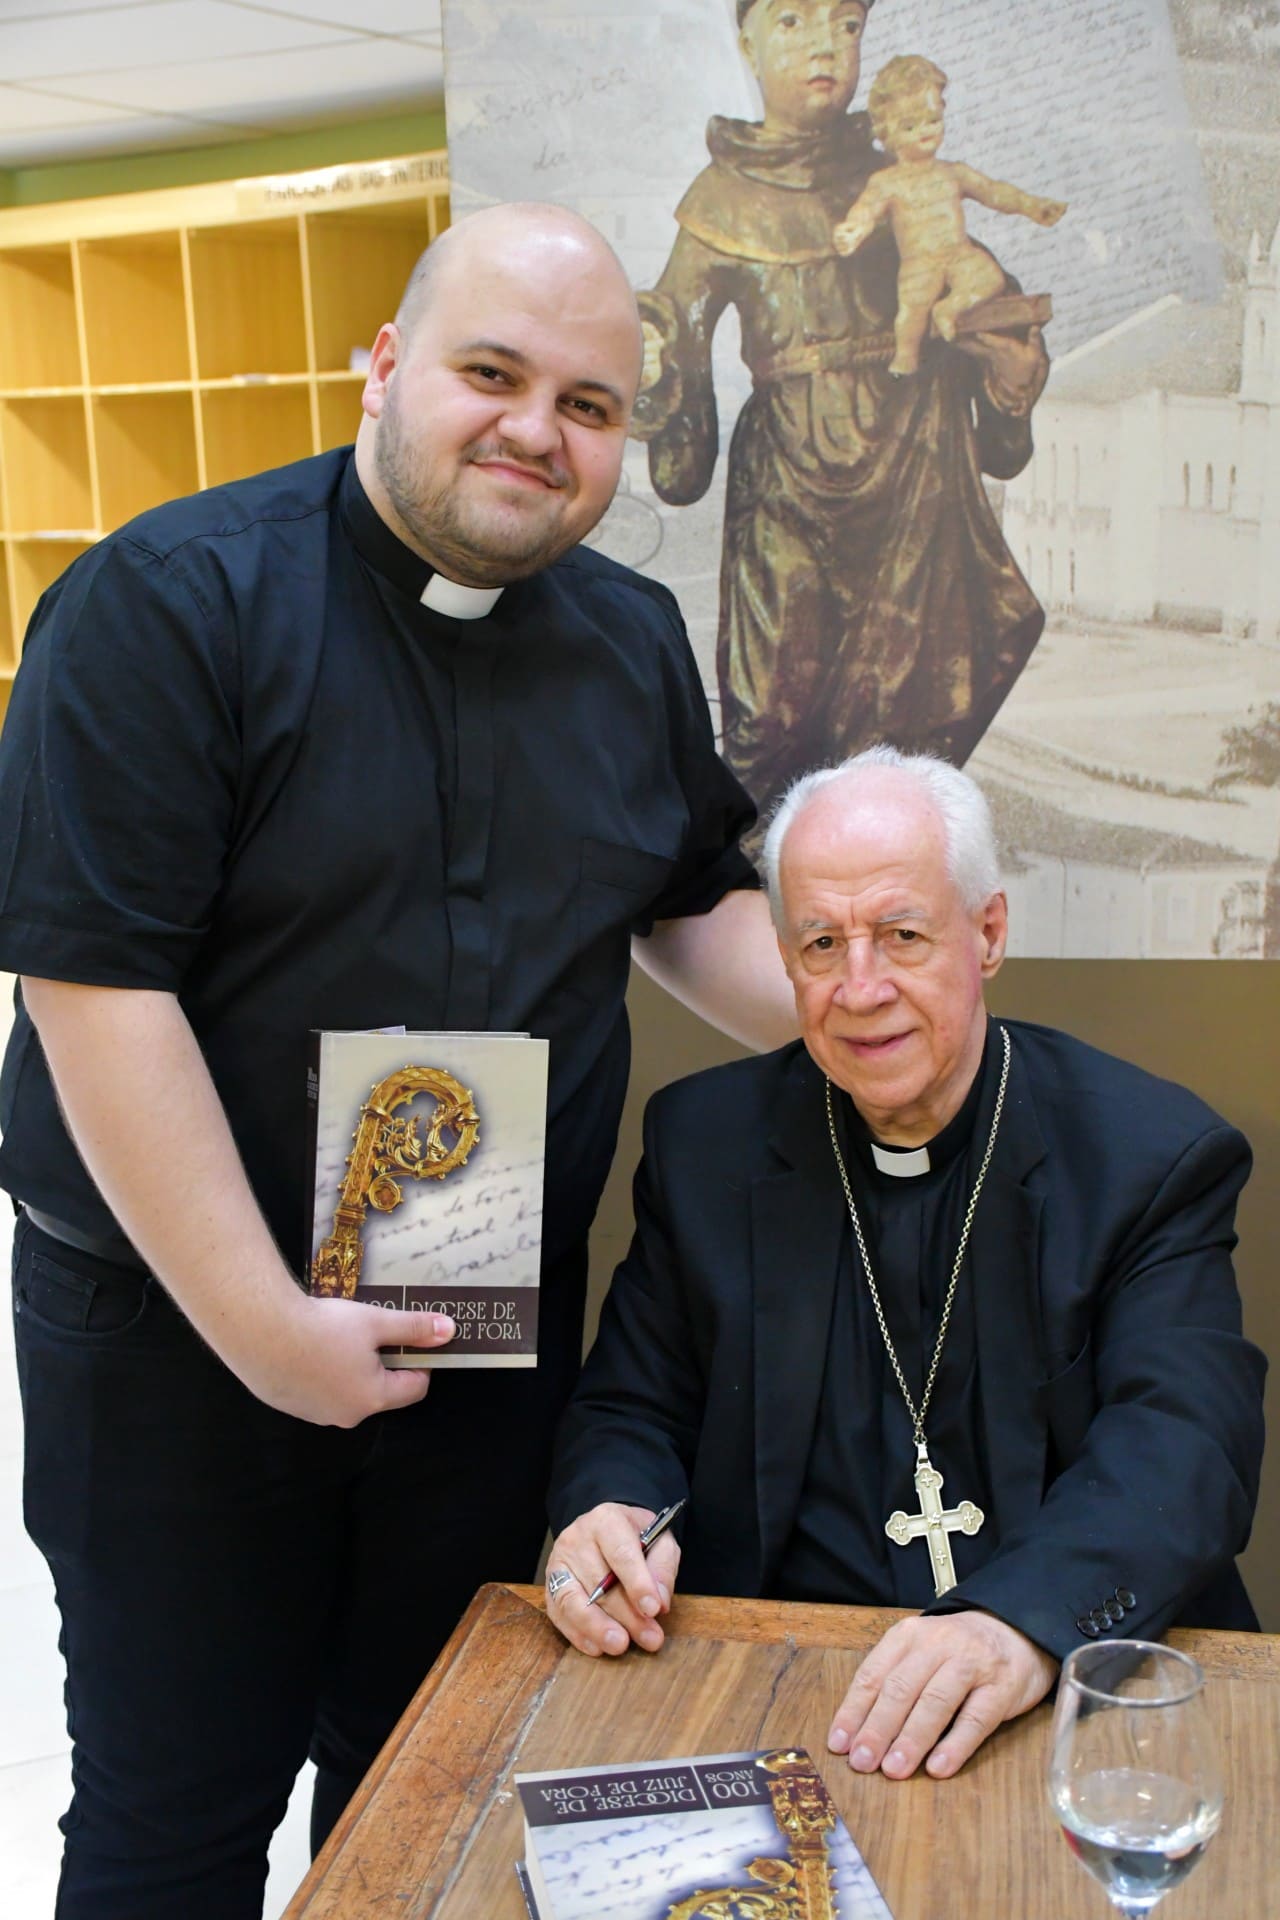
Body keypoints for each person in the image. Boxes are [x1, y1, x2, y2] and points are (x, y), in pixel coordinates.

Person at [0, 202, 796, 1918]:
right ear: (383, 365)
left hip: (478, 1318)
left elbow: (688, 901)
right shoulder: (166, 603)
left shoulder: (629, 639)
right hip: (176, 1333)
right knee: (174, 1818)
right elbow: (93, 990)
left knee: (421, 1778)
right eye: (491, 374)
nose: (537, 430)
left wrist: (873, 1000)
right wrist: (263, 1324)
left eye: (589, 404)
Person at [545, 745, 1267, 1782]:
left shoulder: (1149, 1156)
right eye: (821, 943)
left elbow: (1183, 1446)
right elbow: (630, 1406)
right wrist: (613, 1512)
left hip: (1066, 1697)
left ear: (988, 934)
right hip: (775, 1690)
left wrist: (1019, 1623)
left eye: (902, 935)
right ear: (785, 960)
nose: (860, 988)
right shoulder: (703, 1145)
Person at [632, 0, 1048, 840]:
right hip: (786, 485)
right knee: (767, 724)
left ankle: (880, 896)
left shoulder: (905, 181)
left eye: (846, 24)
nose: (824, 46)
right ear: (747, 43)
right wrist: (651, 362)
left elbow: (997, 381)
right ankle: (763, 908)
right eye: (793, 22)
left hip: (914, 477)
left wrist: (1011, 380)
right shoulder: (720, 200)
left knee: (895, 746)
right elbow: (672, 367)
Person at [833, 55, 1066, 376]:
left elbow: (993, 192)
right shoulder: (887, 182)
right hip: (919, 264)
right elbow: (867, 210)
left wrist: (1031, 205)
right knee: (911, 312)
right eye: (909, 126)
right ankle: (905, 361)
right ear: (886, 131)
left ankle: (950, 308)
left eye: (933, 120)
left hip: (959, 254)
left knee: (990, 277)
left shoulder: (952, 173)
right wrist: (853, 230)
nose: (924, 131)